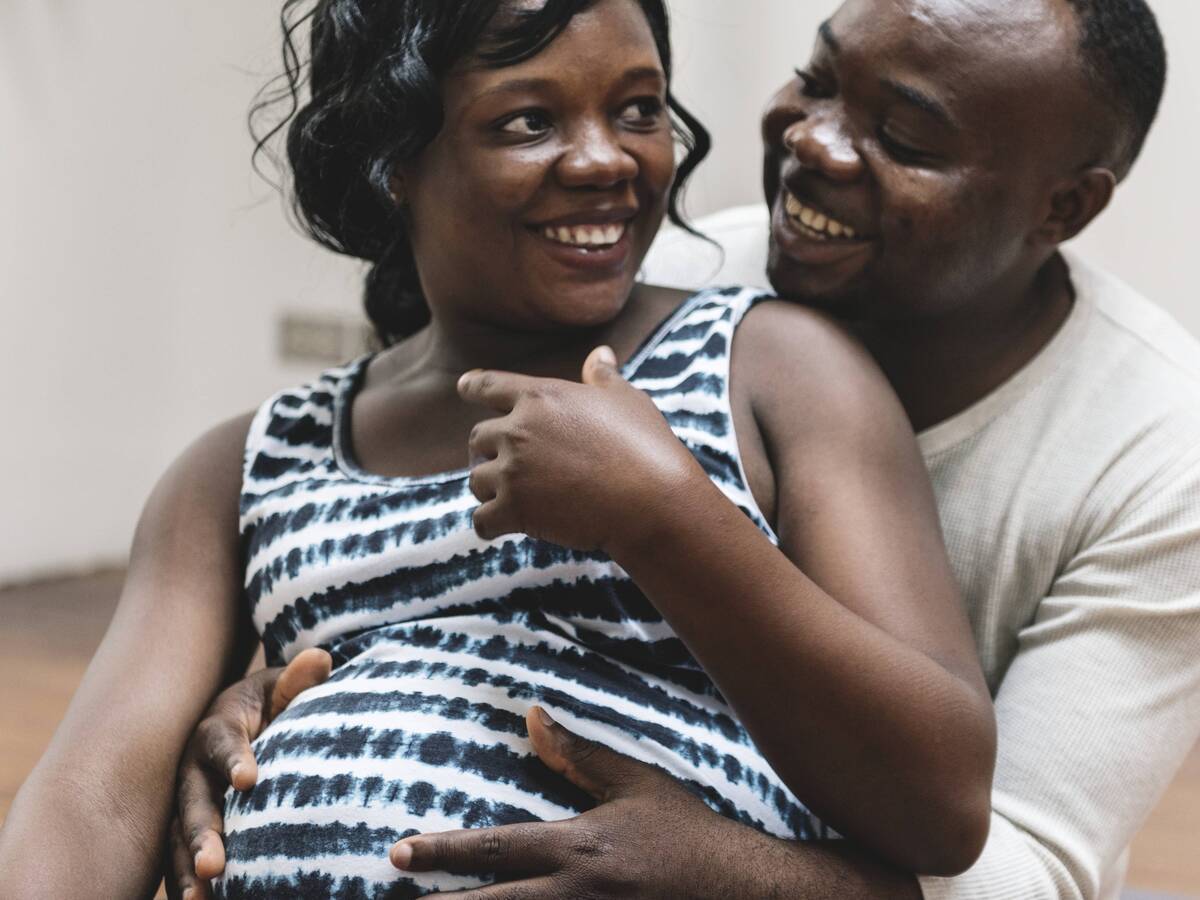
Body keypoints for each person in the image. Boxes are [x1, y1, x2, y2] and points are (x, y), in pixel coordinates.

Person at [166, 0, 1200, 897]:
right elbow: (444, 528)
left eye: (904, 136)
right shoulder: (660, 263)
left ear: (1064, 207)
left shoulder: (1161, 454)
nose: (818, 144)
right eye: (822, 77)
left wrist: (727, 879)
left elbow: (1028, 868)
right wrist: (300, 683)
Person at [0, 1, 1001, 898]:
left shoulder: (773, 368)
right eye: (530, 120)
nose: (606, 157)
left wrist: (663, 517)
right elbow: (92, 800)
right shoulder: (249, 464)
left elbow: (940, 801)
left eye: (639, 108)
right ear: (393, 159)